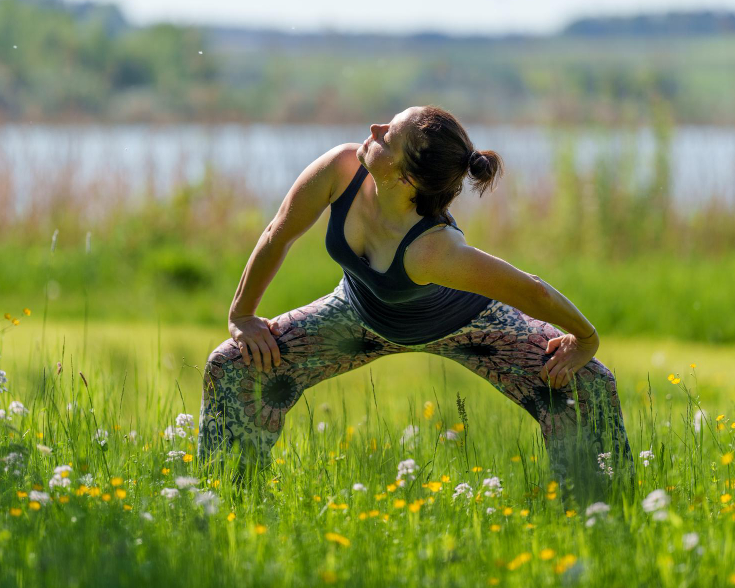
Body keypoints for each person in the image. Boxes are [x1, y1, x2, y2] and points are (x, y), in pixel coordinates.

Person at [198, 105, 633, 492]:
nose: (375, 126)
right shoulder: (340, 169)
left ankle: (599, 513)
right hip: (358, 316)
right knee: (232, 366)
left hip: (469, 328)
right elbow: (278, 234)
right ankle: (228, 499)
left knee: (587, 384)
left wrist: (585, 338)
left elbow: (531, 289)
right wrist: (242, 314)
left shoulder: (435, 250)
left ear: (405, 178)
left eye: (389, 136)